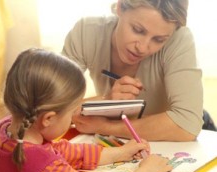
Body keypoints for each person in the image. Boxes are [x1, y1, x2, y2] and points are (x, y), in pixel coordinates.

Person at [0, 48, 172, 172]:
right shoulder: (45, 170)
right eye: (72, 112)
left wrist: (118, 153)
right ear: (48, 118)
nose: (74, 116)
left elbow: (57, 152)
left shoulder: (4, 130)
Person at [62, 0, 203, 141]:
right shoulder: (86, 32)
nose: (142, 48)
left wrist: (106, 126)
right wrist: (106, 100)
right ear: (120, 7)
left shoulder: (179, 39)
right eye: (138, 30)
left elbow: (187, 125)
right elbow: (51, 107)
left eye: (159, 39)